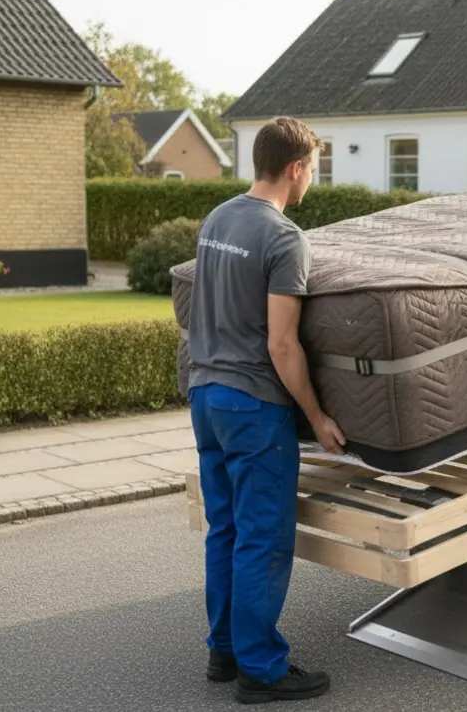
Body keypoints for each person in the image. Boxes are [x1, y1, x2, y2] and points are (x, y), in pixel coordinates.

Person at [186, 116, 347, 703]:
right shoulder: (284, 239)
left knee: (224, 528)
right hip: (254, 406)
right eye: (313, 169)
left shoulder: (217, 219)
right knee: (262, 538)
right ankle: (262, 669)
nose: (312, 181)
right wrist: (319, 415)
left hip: (205, 396)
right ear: (296, 168)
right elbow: (283, 344)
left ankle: (223, 650)